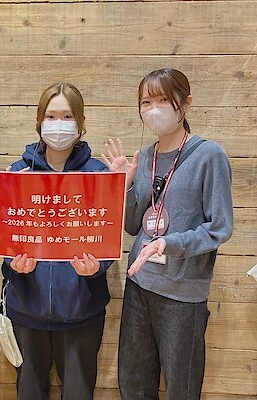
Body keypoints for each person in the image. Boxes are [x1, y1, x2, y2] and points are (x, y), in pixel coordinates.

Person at [102, 68, 234, 400]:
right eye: (146, 102)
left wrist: (169, 243)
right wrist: (124, 186)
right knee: (133, 383)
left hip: (182, 294)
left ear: (185, 104)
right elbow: (134, 225)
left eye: (163, 99)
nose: (154, 109)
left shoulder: (209, 155)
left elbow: (219, 228)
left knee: (181, 388)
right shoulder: (145, 157)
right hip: (139, 285)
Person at [2, 82, 114, 400]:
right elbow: (10, 236)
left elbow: (106, 235)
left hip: (82, 311)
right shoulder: (18, 174)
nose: (59, 124)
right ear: (40, 121)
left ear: (80, 122)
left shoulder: (99, 174)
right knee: (28, 393)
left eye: (67, 116)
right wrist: (14, 263)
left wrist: (97, 267)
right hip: (27, 308)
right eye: (51, 116)